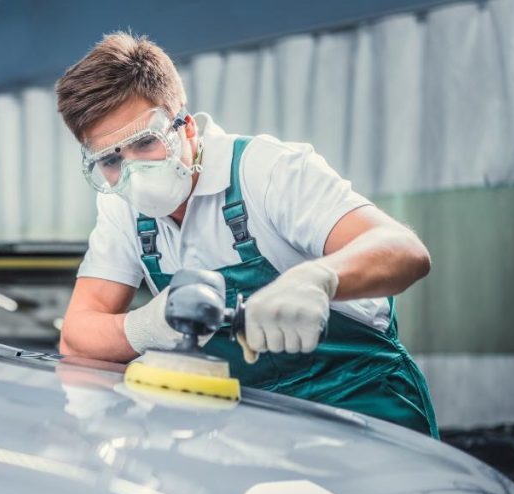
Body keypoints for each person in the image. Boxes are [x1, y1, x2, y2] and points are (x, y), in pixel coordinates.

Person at [55, 32, 438, 437]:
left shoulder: (267, 170)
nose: (133, 172)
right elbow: (77, 338)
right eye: (111, 160)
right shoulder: (122, 207)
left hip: (360, 403)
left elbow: (404, 250)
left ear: (185, 129)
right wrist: (147, 327)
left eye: (146, 142)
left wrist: (317, 280)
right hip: (249, 427)